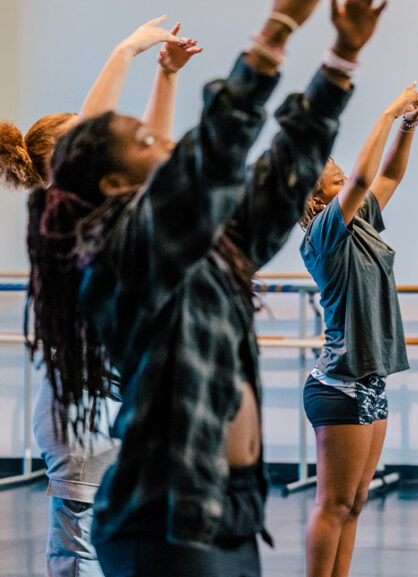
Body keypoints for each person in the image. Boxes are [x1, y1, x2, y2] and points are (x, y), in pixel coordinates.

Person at [45, 0, 386, 573]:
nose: (167, 144)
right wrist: (275, 33)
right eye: (148, 144)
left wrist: (341, 59)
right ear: (111, 182)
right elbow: (217, 151)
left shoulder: (211, 247)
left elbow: (283, 175)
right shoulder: (124, 254)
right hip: (166, 521)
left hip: (231, 513)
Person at [0, 16, 200, 576]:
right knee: (79, 551)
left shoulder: (111, 217)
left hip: (113, 396)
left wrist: (167, 75)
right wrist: (127, 49)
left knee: (123, 547)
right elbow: (98, 128)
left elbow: (153, 153)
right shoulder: (62, 219)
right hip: (80, 406)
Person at [298, 81, 418, 577]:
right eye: (322, 164)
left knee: (356, 502)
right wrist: (388, 109)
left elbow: (388, 174)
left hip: (369, 382)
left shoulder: (359, 221)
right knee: (332, 503)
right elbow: (360, 177)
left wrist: (409, 123)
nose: (332, 163)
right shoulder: (324, 232)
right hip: (339, 384)